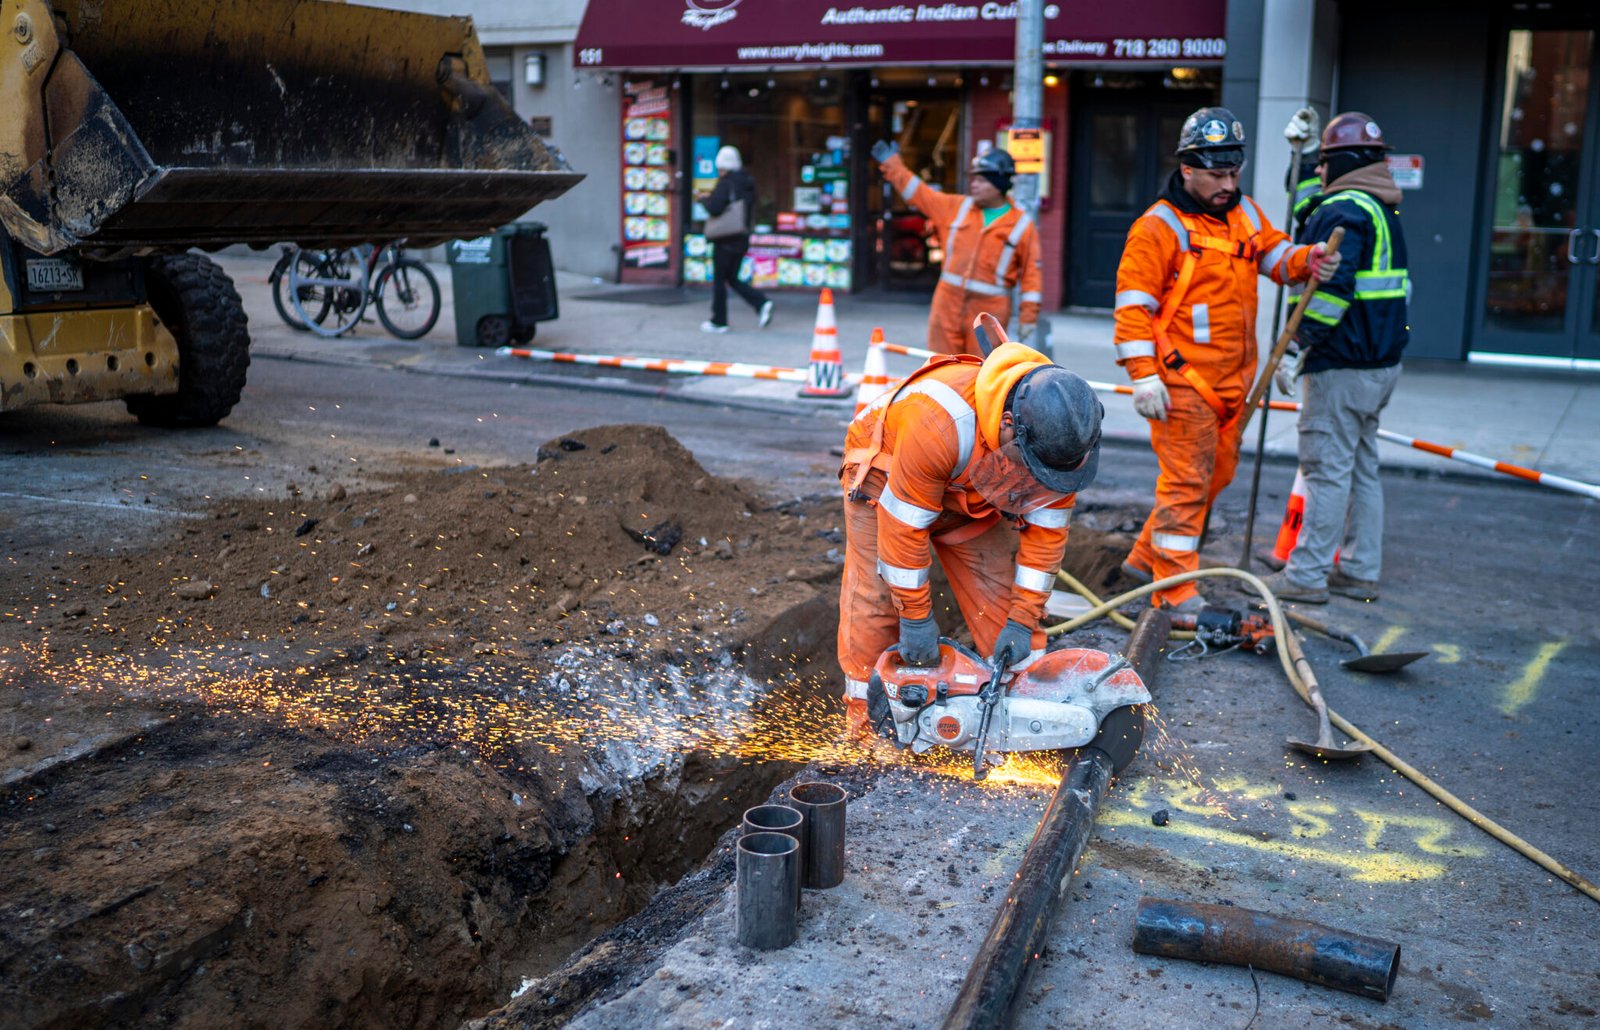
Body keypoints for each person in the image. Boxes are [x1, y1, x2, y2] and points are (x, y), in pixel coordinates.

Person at [1112, 106, 1339, 612]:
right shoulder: (1158, 228)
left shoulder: (1247, 214)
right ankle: (1174, 591)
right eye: (1217, 174)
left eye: (1234, 172)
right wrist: (1144, 377)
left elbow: (1276, 258)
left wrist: (1309, 259)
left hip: (1234, 384)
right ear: (1187, 168)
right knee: (1187, 486)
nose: (1228, 183)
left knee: (1216, 477)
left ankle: (1144, 560)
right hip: (1182, 383)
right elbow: (1131, 310)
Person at [836, 333, 1103, 733]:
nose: (1039, 481)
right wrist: (915, 619)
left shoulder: (1060, 441)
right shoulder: (940, 422)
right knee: (875, 601)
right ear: (1009, 426)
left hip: (964, 492)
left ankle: (1025, 711)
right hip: (886, 474)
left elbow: (1046, 540)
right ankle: (865, 722)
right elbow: (904, 534)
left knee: (1002, 607)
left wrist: (1022, 619)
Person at [1261, 113, 1410, 604]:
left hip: (1342, 366)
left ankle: (1306, 577)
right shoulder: (1379, 207)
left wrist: (1298, 346)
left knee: (1326, 468)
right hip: (1380, 366)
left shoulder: (1343, 211)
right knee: (1362, 467)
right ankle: (1361, 569)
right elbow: (1307, 207)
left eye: (1323, 163)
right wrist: (1302, 153)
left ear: (1338, 163)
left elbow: (1330, 291)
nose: (1318, 173)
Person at [870, 141, 1043, 356]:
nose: (974, 185)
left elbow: (1031, 276)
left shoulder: (1021, 225)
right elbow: (918, 193)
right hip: (947, 305)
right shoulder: (956, 207)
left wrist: (1028, 319)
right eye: (974, 179)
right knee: (943, 369)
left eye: (981, 180)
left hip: (989, 313)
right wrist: (892, 164)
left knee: (980, 375)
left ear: (998, 185)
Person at [698, 145, 773, 334]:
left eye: (720, 167)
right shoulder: (747, 181)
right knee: (731, 278)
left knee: (720, 280)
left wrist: (703, 199)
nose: (719, 171)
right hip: (741, 237)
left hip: (725, 239)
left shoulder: (726, 183)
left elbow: (715, 207)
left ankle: (719, 320)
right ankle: (761, 302)